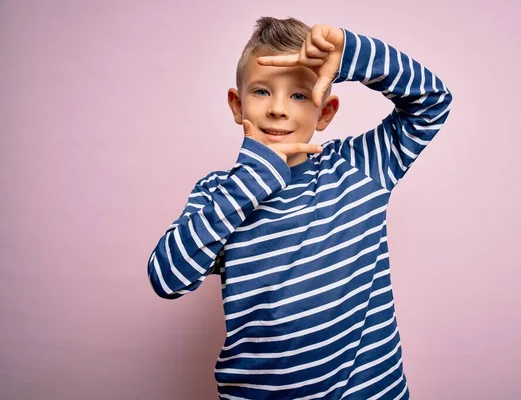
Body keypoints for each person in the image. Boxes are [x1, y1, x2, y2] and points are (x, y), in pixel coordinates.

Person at [147, 16, 452, 399]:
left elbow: (433, 102)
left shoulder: (358, 169)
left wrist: (353, 55)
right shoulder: (220, 194)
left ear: (324, 112)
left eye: (299, 95)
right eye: (261, 92)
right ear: (236, 104)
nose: (278, 109)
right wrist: (251, 180)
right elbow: (166, 278)